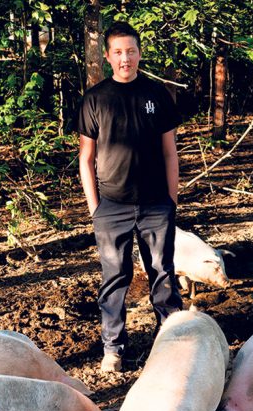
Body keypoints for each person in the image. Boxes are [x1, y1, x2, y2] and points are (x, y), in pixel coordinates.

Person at [75, 21, 183, 372]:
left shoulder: (157, 95)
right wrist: (95, 209)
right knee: (115, 278)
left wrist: (171, 201)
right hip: (112, 207)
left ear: (140, 53)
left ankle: (173, 341)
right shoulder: (95, 99)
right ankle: (114, 349)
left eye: (131, 51)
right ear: (108, 57)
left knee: (162, 273)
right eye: (118, 53)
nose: (126, 59)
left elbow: (170, 153)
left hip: (156, 206)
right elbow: (86, 159)